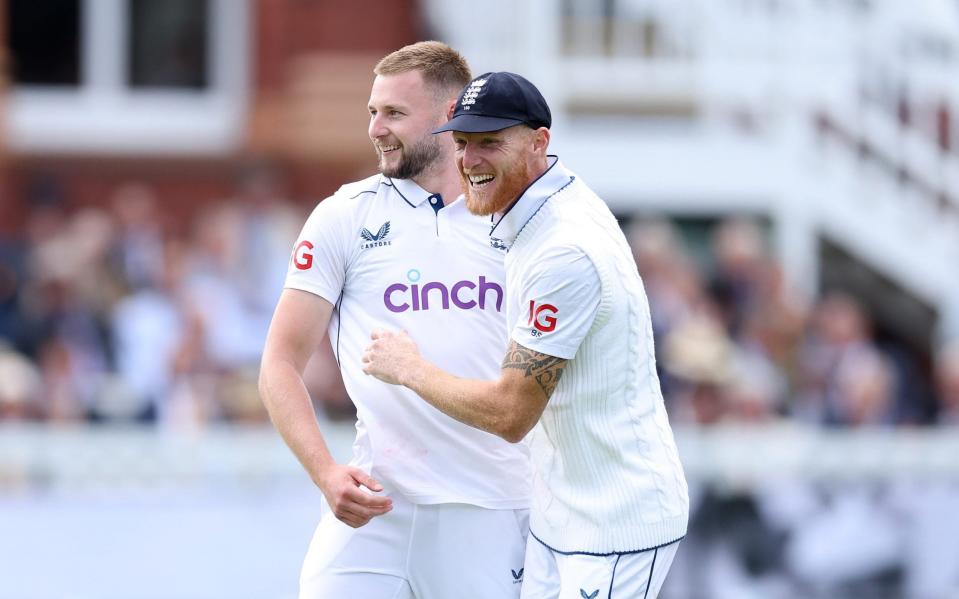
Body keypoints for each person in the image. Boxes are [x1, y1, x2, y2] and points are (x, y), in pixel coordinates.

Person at [362, 71, 689, 598]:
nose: (469, 160)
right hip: (558, 518)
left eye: (491, 142)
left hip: (617, 524)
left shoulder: (562, 249)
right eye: (463, 143)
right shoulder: (542, 205)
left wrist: (410, 369)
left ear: (540, 143)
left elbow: (511, 414)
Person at [259, 44, 531, 598]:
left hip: (491, 510)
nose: (376, 129)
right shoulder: (344, 215)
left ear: (451, 113)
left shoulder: (522, 221)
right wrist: (326, 472)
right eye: (372, 112)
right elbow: (279, 362)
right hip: (374, 508)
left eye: (394, 114)